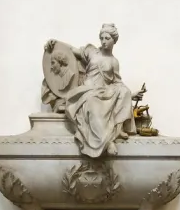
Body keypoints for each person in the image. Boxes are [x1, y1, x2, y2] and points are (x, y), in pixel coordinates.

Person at [45, 23, 142, 158]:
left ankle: (116, 131)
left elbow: (118, 82)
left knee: (124, 92)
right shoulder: (92, 51)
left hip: (105, 91)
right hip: (88, 90)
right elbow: (72, 50)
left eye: (107, 38)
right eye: (101, 38)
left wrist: (131, 94)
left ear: (114, 40)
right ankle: (107, 142)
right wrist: (55, 43)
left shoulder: (114, 62)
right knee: (92, 103)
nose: (103, 41)